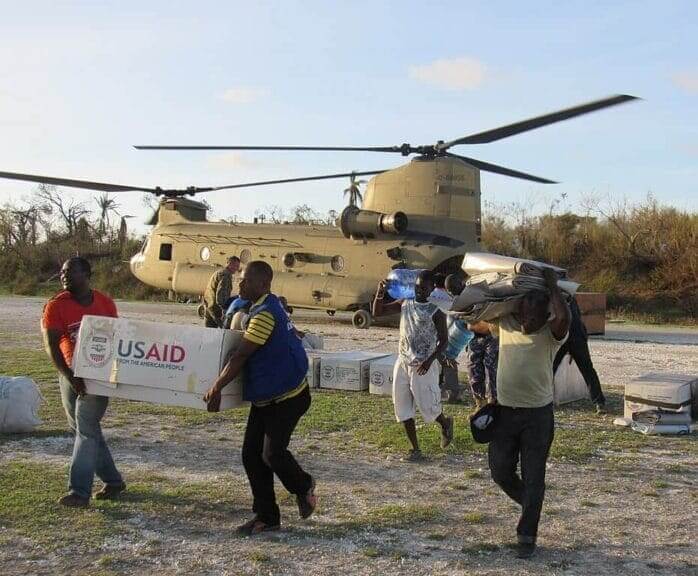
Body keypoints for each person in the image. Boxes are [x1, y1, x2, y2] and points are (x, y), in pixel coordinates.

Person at [204, 261, 316, 535]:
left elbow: (241, 355)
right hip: (266, 398)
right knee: (251, 455)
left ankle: (304, 486)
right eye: (240, 280)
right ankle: (266, 516)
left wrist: (216, 388)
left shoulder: (265, 313)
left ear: (263, 285)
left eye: (246, 281)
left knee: (272, 454)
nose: (240, 284)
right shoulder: (264, 304)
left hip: (289, 397)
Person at [488, 267, 570, 559]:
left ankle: (527, 536)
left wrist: (552, 287)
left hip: (537, 416)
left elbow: (563, 317)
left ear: (544, 316)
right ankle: (531, 503)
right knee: (500, 470)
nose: (525, 322)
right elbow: (476, 315)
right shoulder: (506, 322)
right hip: (505, 413)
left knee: (534, 476)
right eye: (522, 314)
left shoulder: (552, 334)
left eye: (532, 318)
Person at [41, 257, 125, 507]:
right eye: (62, 273)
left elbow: (119, 337)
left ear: (87, 273)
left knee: (86, 428)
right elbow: (51, 345)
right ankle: (113, 481)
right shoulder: (55, 305)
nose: (64, 276)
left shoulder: (104, 302)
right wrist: (70, 376)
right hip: (70, 373)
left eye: (70, 271)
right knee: (82, 429)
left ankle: (79, 491)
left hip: (98, 377)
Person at [372, 270, 454, 462]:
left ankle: (445, 423)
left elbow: (443, 341)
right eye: (417, 287)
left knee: (429, 407)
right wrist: (380, 292)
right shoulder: (406, 302)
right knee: (402, 406)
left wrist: (429, 360)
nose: (419, 291)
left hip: (423, 364)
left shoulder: (435, 310)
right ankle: (415, 450)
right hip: (403, 360)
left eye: (423, 288)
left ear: (431, 289)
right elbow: (377, 313)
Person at [552, 297, 606, 413]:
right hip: (576, 337)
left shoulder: (557, 300)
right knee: (588, 371)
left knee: (550, 370)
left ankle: (545, 401)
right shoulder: (571, 299)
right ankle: (599, 402)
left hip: (567, 338)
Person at [466, 319, 499, 408]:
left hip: (494, 336)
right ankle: (480, 404)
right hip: (475, 336)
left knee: (491, 371)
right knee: (473, 370)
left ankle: (492, 405)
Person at [203, 256, 241, 328]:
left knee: (208, 331)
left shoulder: (219, 272)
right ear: (229, 264)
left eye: (237, 266)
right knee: (221, 331)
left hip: (209, 304)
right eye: (235, 266)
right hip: (215, 308)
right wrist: (223, 310)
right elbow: (220, 295)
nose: (236, 268)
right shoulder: (226, 275)